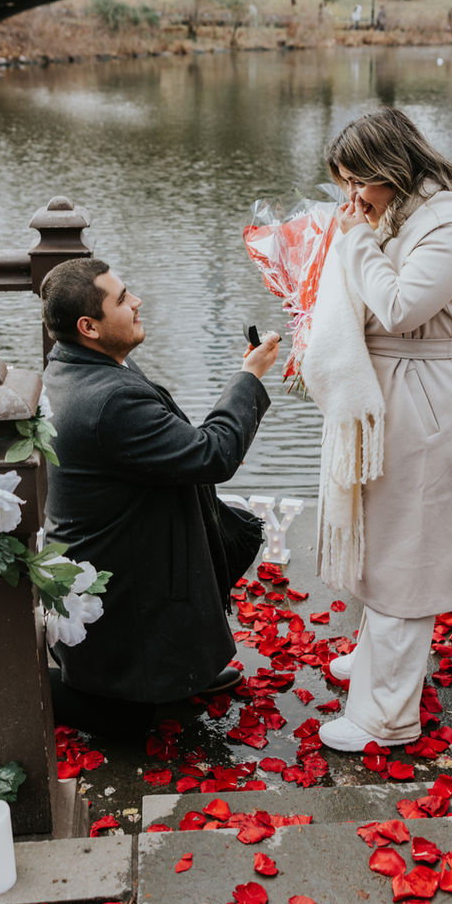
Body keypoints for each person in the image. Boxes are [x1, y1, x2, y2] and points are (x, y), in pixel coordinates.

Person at [41, 258, 279, 710]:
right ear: (89, 327)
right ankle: (126, 689)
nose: (137, 301)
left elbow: (181, 445)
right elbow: (212, 454)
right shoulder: (109, 399)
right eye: (122, 299)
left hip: (113, 547)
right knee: (130, 718)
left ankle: (180, 670)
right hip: (119, 589)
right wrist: (249, 376)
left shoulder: (75, 366)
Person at [308, 108, 452, 752]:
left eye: (358, 181)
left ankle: (387, 718)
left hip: (425, 399)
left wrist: (354, 242)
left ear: (392, 167)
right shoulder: (400, 212)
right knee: (387, 539)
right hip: (394, 392)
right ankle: (376, 662)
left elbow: (400, 309)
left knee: (408, 551)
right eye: (344, 183)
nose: (351, 197)